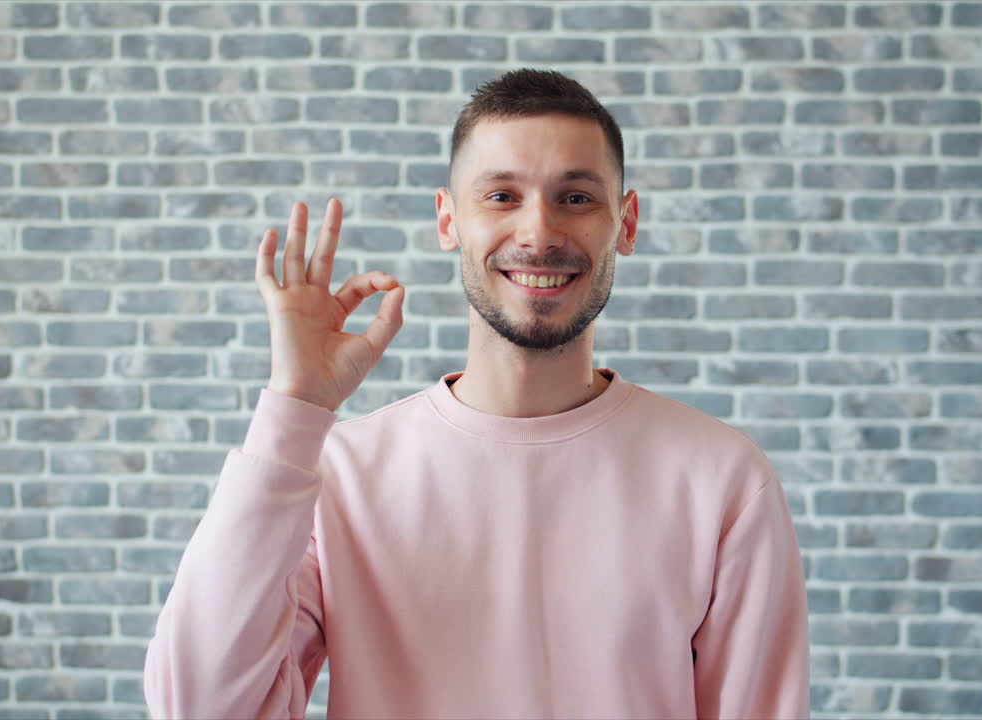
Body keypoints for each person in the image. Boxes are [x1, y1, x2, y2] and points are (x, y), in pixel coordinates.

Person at [144, 68, 809, 720]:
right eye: (501, 197)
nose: (539, 233)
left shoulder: (722, 479)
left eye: (576, 197)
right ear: (448, 220)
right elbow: (199, 707)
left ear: (626, 223)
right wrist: (294, 406)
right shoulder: (340, 476)